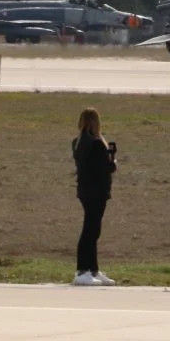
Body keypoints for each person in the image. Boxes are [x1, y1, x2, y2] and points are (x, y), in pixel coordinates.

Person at [71, 107, 117, 286]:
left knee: (92, 229)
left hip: (85, 189)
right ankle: (83, 270)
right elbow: (107, 168)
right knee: (91, 230)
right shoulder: (97, 144)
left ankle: (92, 269)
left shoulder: (77, 142)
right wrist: (112, 160)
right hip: (97, 190)